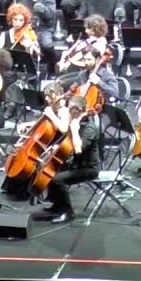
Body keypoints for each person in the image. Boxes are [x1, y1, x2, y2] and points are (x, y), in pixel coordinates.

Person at [43, 95, 100, 224]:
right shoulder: (76, 122)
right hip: (77, 164)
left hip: (89, 168)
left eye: (76, 109)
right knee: (50, 171)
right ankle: (57, 205)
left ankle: (68, 212)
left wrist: (74, 130)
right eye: (71, 109)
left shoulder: (89, 129)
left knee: (57, 180)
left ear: (83, 110)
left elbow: (78, 149)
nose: (73, 112)